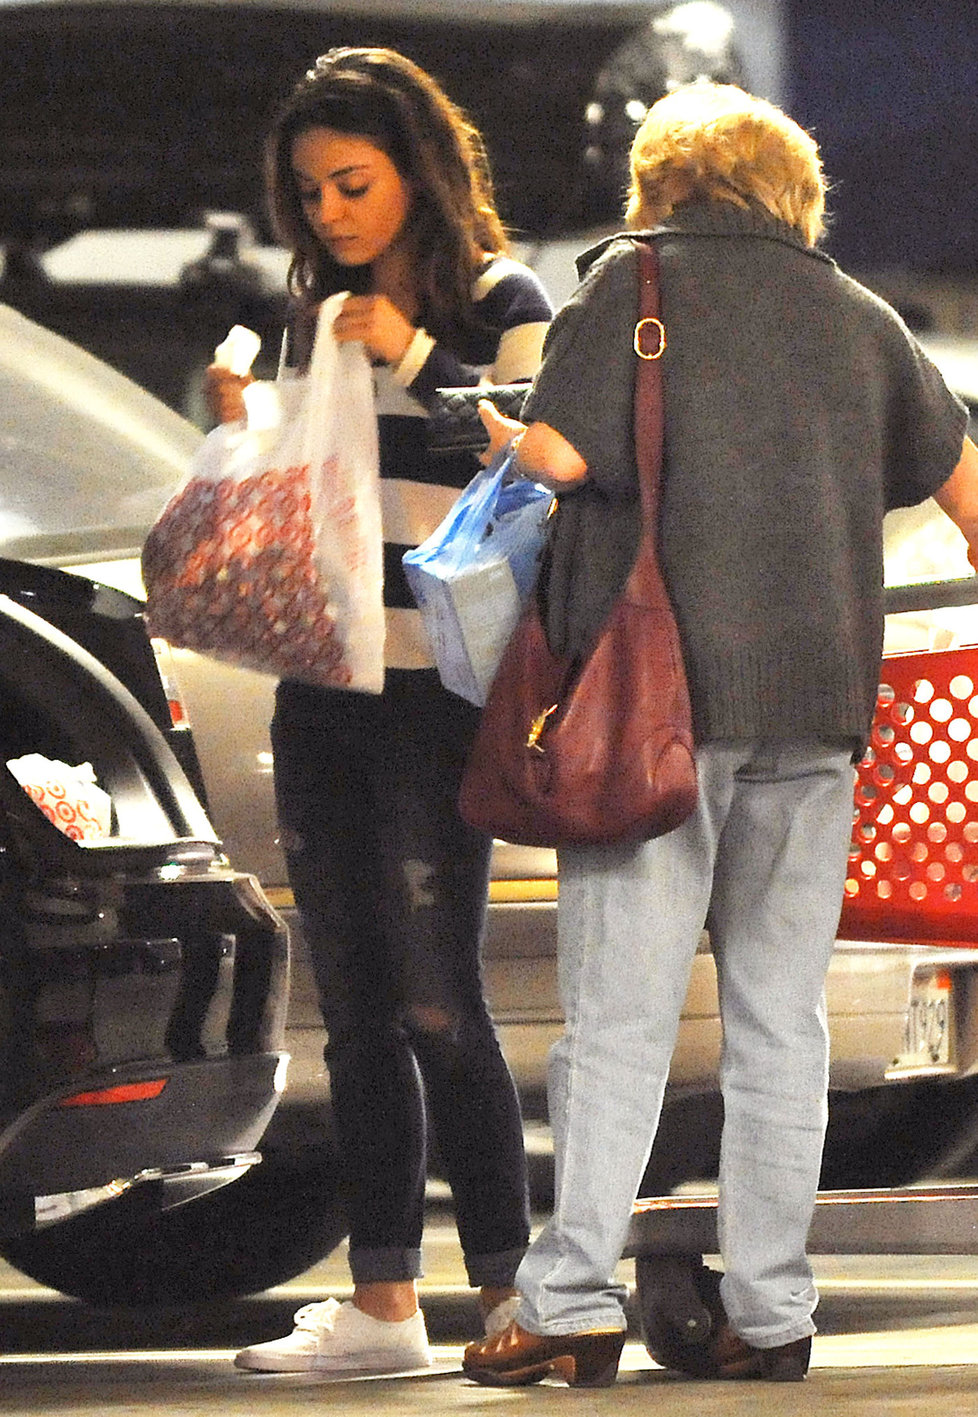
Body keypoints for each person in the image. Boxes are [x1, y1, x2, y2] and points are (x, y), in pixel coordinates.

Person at [462, 81, 978, 1387]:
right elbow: (967, 494)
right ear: (786, 187)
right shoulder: (856, 317)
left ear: (661, 180)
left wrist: (497, 437)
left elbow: (565, 462)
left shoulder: (630, 288)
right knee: (776, 1020)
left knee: (621, 1016)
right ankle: (771, 1305)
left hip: (656, 712)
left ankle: (568, 1297)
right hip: (818, 710)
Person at [205, 47, 552, 1375]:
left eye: (352, 184)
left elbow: (544, 463)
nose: (331, 214)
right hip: (324, 682)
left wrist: (411, 353)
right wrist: (240, 435)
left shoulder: (499, 301)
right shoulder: (310, 309)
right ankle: (386, 1302)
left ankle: (513, 1292)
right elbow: (301, 506)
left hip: (440, 695)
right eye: (309, 194)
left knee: (436, 1002)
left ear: (418, 169)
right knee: (350, 1009)